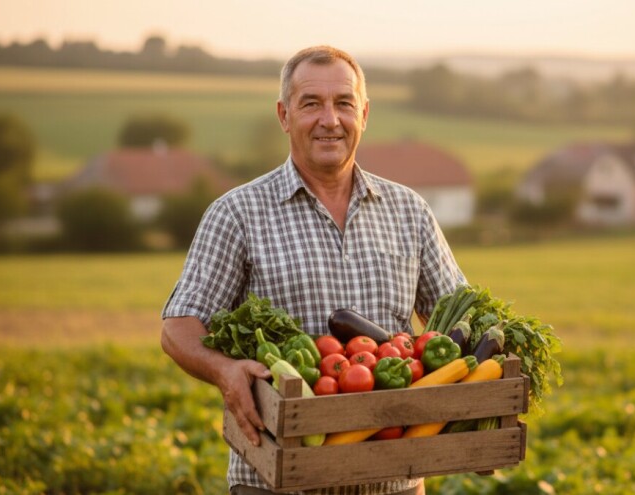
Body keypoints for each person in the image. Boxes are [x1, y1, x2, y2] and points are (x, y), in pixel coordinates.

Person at [161, 45, 466, 495]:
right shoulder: (238, 213)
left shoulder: (410, 212)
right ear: (284, 115)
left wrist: (478, 416)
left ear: (364, 113)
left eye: (344, 103)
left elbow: (456, 325)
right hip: (276, 483)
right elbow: (178, 326)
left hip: (394, 483)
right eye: (311, 104)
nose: (330, 119)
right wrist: (223, 370)